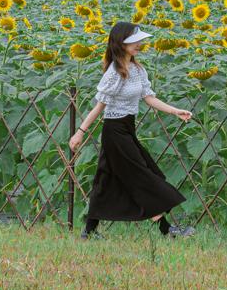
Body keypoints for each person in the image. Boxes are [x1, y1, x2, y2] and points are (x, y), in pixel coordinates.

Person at [68, 21, 196, 240]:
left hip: (127, 128)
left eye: (139, 41)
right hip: (114, 132)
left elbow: (149, 98)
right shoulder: (114, 73)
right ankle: (166, 230)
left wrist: (175, 111)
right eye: (133, 41)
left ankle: (88, 232)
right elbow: (99, 106)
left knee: (106, 179)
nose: (139, 45)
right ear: (120, 43)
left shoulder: (137, 70)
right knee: (141, 173)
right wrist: (80, 131)